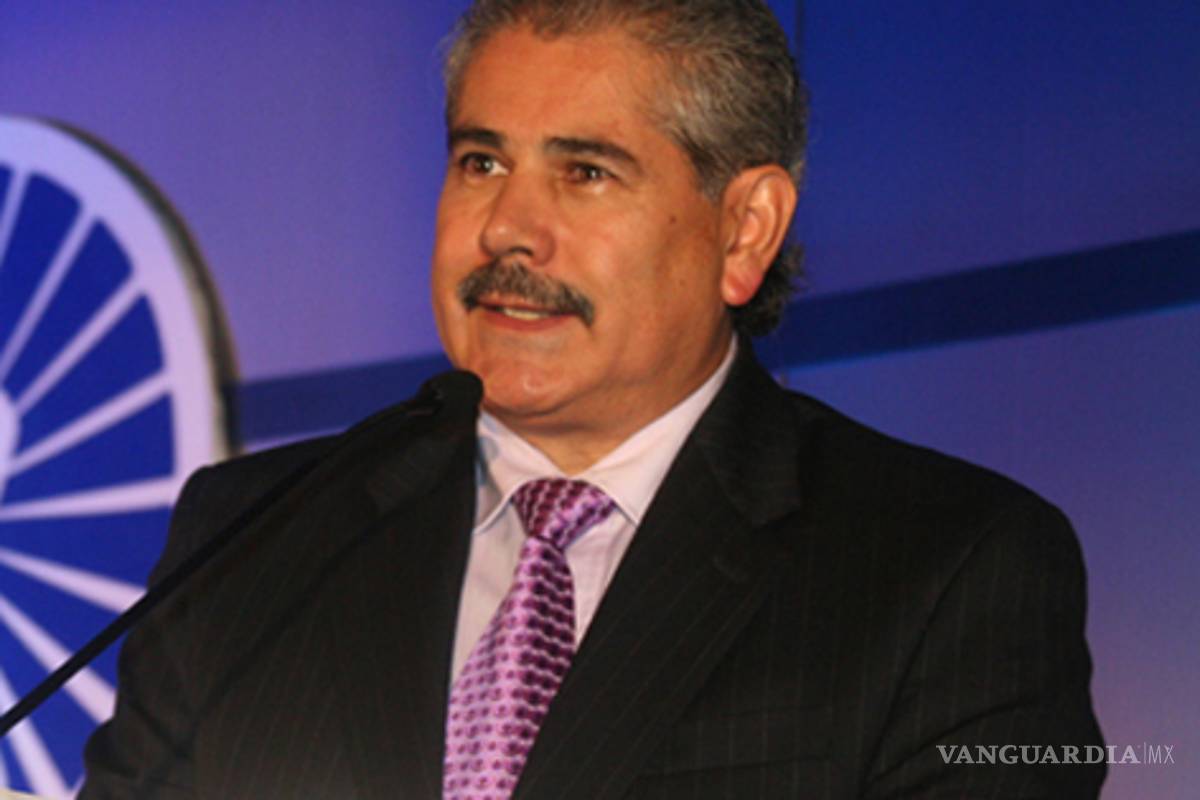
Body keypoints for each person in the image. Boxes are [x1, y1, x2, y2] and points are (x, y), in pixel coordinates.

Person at [81, 1, 1105, 798]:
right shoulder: (252, 541)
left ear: (745, 229)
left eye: (585, 172)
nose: (507, 228)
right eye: (482, 161)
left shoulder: (947, 569)